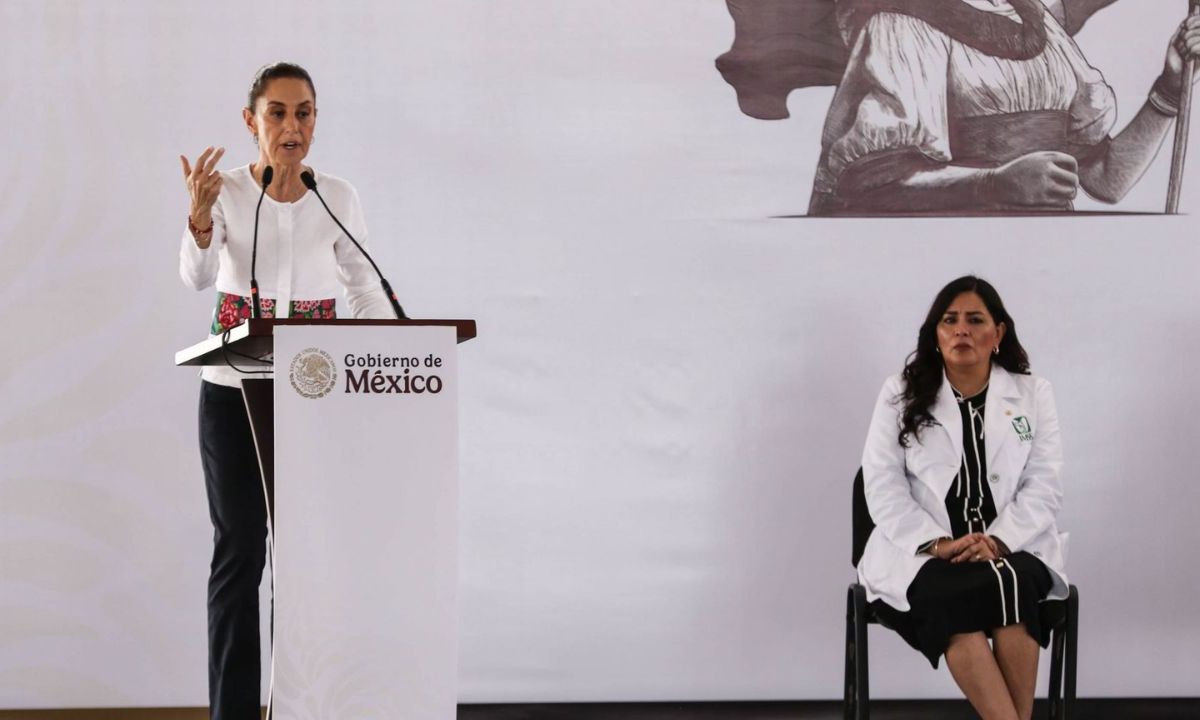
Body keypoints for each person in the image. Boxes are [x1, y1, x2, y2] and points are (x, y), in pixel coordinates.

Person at [178, 62, 393, 720]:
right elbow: (195, 278)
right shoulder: (226, 190)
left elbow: (363, 290)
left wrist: (384, 358)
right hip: (232, 392)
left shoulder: (338, 197)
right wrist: (200, 220)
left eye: (304, 112)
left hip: (313, 397)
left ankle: (304, 707)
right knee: (240, 553)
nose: (292, 126)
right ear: (252, 122)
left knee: (306, 562)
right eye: (278, 112)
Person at [859, 276, 1066, 720]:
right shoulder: (900, 393)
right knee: (956, 597)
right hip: (924, 552)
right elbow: (881, 483)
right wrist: (938, 543)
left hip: (1011, 544)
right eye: (949, 320)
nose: (961, 330)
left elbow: (1044, 483)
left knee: (1015, 585)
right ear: (935, 333)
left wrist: (997, 540)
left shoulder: (1032, 395)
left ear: (999, 334)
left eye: (975, 320)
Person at [807, 0, 1200, 214]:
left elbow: (1105, 180)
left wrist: (1170, 88)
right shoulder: (901, 20)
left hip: (1055, 259)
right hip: (955, 268)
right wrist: (993, 183)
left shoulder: (1037, 19)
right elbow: (869, 186)